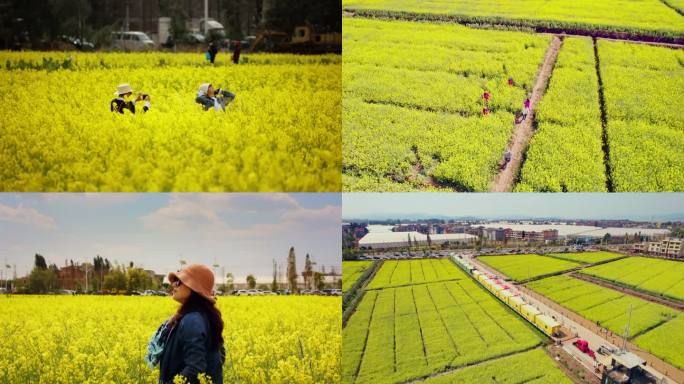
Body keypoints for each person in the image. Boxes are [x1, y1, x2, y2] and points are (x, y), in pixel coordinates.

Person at [146, 264, 225, 384]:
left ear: (194, 288)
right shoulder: (201, 316)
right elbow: (219, 357)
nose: (173, 284)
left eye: (179, 282)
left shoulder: (192, 320)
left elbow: (195, 368)